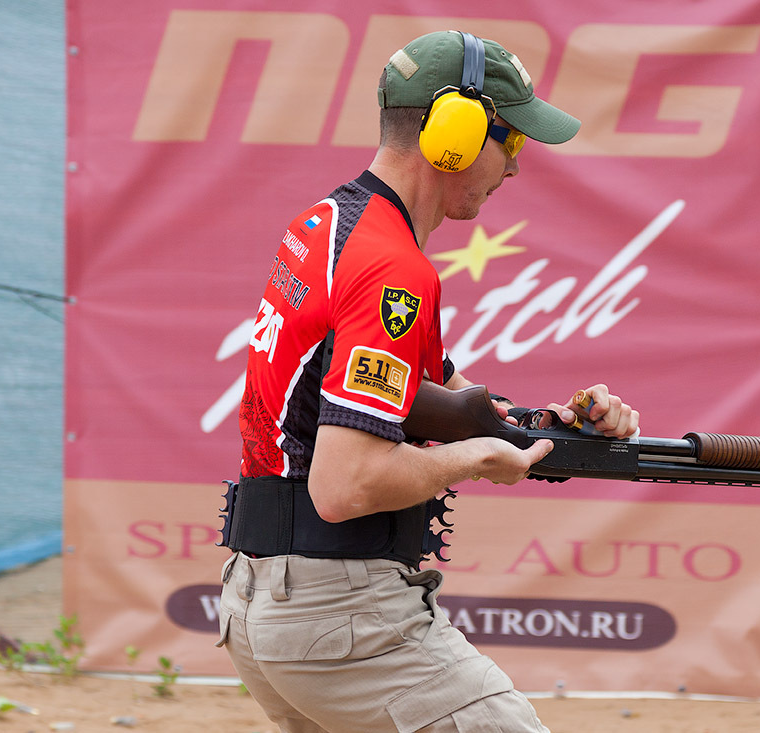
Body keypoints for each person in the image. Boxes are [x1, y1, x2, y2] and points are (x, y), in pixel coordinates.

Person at [216, 30, 639, 733]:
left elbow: (423, 393)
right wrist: (479, 460)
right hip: (342, 618)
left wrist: (544, 423)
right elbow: (345, 485)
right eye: (513, 142)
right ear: (458, 134)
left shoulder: (329, 226)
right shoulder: (393, 268)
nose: (514, 168)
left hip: (269, 604)